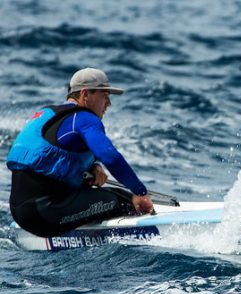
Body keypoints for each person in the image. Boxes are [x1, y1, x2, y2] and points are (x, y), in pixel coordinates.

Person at [6, 67, 154, 237]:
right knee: (128, 203)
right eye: (104, 95)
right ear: (85, 95)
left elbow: (55, 162)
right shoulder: (84, 118)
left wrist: (92, 167)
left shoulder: (49, 115)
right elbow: (111, 157)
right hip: (45, 213)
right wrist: (140, 192)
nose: (108, 103)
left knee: (115, 195)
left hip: (21, 213)